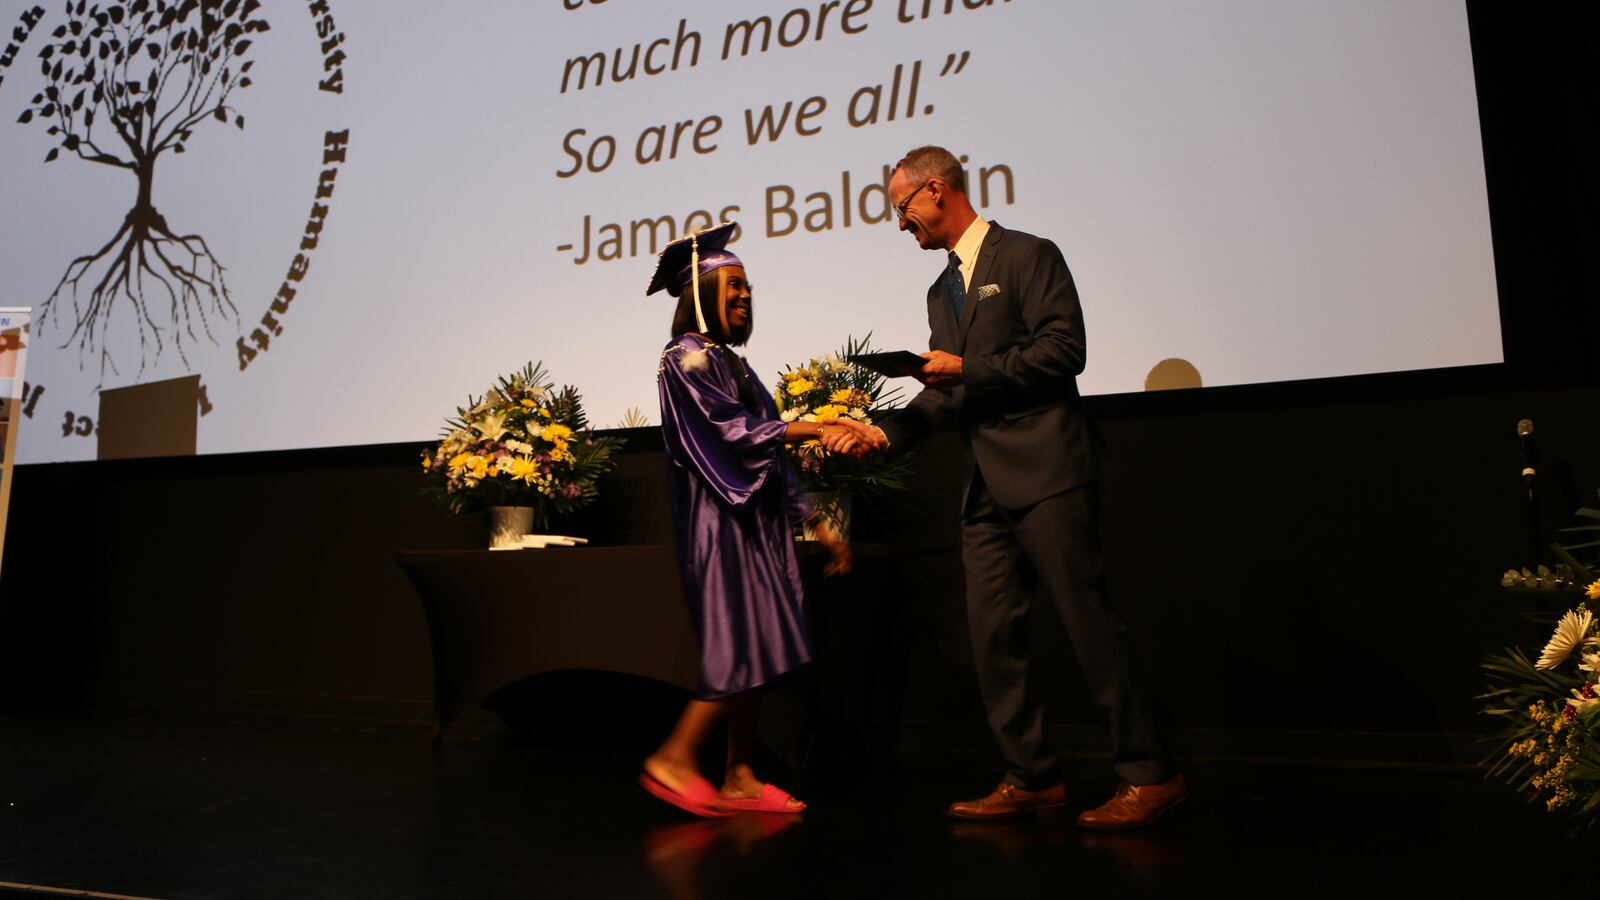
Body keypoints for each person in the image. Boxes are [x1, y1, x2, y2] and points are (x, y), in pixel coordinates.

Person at [847, 146, 1186, 828]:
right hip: (985, 488)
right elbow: (948, 394)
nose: (900, 223)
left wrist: (969, 366)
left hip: (1049, 470)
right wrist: (886, 433)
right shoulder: (938, 290)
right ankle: (1031, 775)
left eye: (901, 207)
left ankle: (1150, 774)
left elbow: (1065, 351)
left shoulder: (1030, 256)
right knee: (992, 634)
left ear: (937, 190)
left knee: (1089, 625)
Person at [641, 222, 873, 818]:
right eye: (734, 286)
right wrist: (820, 425)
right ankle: (673, 756)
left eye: (750, 288)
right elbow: (731, 435)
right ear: (702, 293)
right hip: (718, 525)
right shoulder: (685, 358)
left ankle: (739, 773)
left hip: (754, 525)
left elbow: (770, 457)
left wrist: (818, 523)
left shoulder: (735, 366)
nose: (746, 297)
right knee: (738, 646)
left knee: (761, 644)